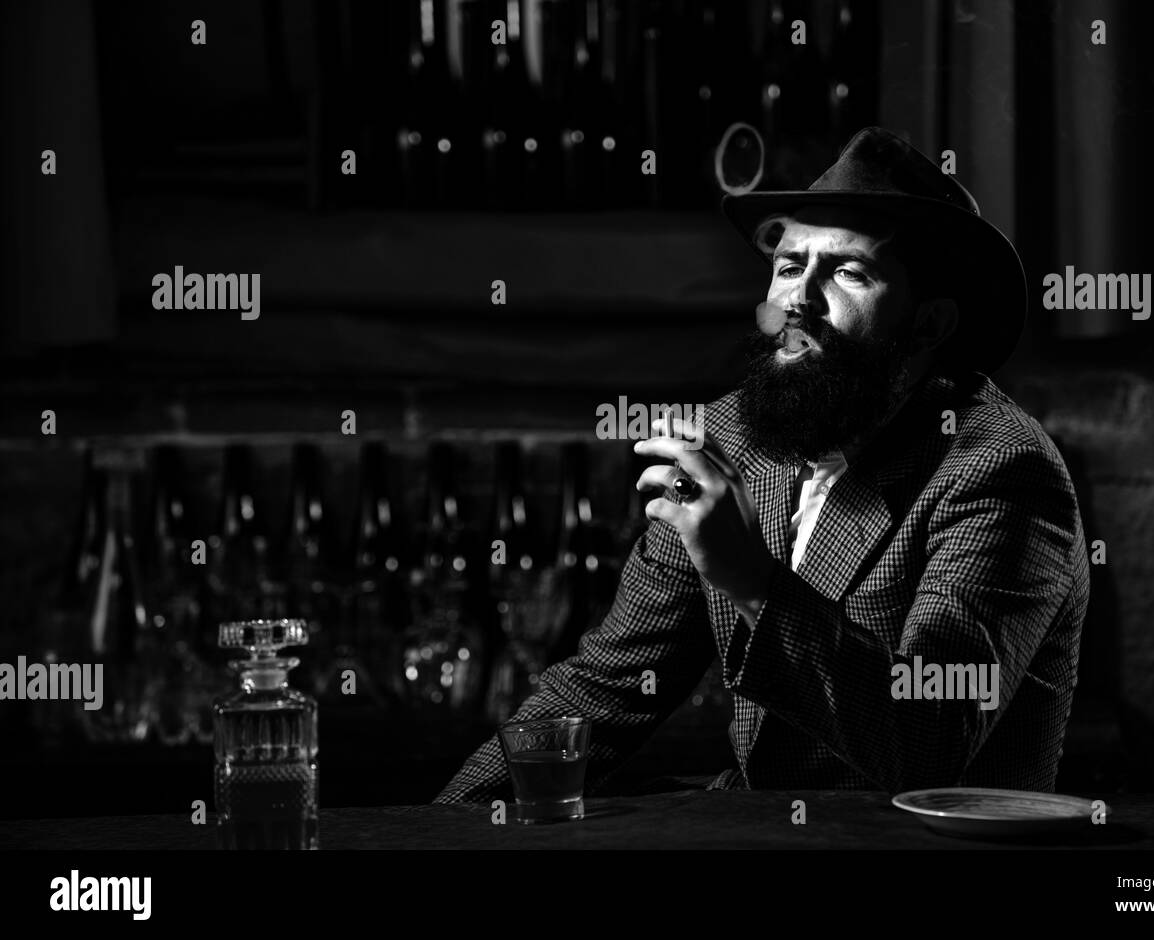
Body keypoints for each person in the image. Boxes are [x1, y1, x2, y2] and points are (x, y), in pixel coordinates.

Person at [436, 127, 1090, 801]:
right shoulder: (732, 436)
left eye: (847, 272)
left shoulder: (1001, 468)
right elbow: (607, 686)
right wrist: (439, 831)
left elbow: (927, 741)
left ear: (929, 325)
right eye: (787, 267)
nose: (796, 301)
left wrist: (751, 579)